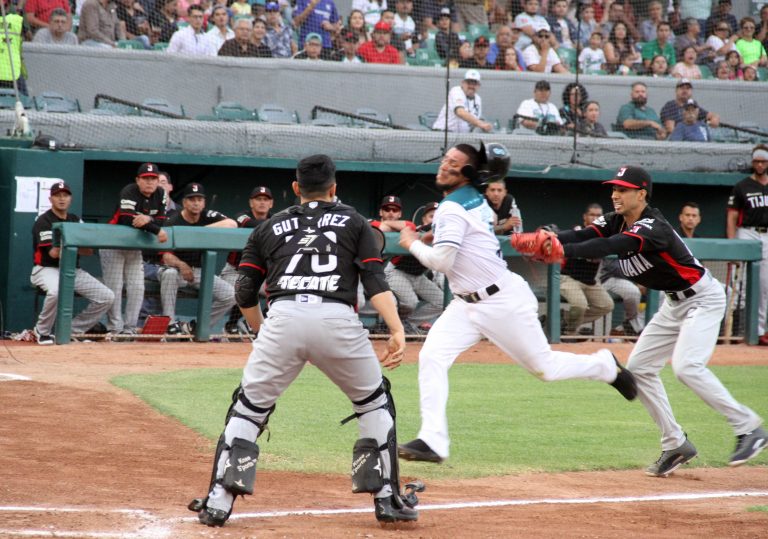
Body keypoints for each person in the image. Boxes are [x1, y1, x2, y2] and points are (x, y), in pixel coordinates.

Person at [192, 154, 418, 527]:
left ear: (295, 188)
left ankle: (218, 500)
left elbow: (245, 290)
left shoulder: (269, 227)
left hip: (283, 316)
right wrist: (396, 328)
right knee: (374, 402)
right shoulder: (356, 221)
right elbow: (375, 281)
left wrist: (264, 332)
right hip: (338, 319)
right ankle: (386, 499)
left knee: (249, 409)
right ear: (334, 188)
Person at [396, 143, 637, 464]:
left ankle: (605, 366)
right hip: (466, 304)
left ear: (468, 174)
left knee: (546, 369)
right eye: (445, 160)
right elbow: (466, 239)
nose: (443, 165)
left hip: (501, 301)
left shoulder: (454, 206)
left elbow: (440, 261)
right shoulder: (471, 199)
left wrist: (412, 242)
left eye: (453, 163)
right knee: (432, 356)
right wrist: (433, 235)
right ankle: (433, 441)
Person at [552, 165, 766, 475]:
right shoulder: (615, 219)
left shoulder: (653, 226)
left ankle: (749, 428)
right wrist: (550, 238)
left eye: (622, 189)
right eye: (614, 189)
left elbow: (611, 246)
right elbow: (584, 234)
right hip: (673, 303)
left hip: (703, 298)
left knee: (687, 367)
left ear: (641, 193)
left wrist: (560, 249)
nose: (615, 194)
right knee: (639, 369)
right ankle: (675, 443)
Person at [30, 182, 115, 345]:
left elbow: (89, 250)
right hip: (46, 269)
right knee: (56, 291)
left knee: (106, 297)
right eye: (57, 195)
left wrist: (69, 246)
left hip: (72, 270)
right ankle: (42, 331)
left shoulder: (75, 219)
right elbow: (54, 254)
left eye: (65, 195)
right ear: (51, 199)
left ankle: (71, 330)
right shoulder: (44, 221)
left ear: (70, 198)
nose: (62, 199)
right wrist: (74, 245)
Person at [158, 183, 237, 334]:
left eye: (199, 199)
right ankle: (170, 323)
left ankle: (198, 326)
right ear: (184, 202)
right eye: (191, 199)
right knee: (169, 274)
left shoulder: (207, 216)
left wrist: (200, 232)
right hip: (175, 270)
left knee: (230, 295)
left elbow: (232, 224)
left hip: (198, 272)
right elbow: (165, 256)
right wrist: (181, 265)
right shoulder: (173, 221)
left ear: (204, 203)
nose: (196, 203)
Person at [101, 163, 168, 337]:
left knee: (137, 287)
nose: (150, 182)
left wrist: (147, 219)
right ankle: (115, 329)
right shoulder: (129, 190)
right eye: (146, 178)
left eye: (153, 179)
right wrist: (154, 228)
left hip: (134, 245)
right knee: (115, 286)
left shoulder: (160, 193)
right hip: (113, 243)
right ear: (138, 180)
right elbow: (125, 218)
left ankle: (130, 328)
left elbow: (162, 219)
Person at [372, 196, 443, 332]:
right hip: (398, 271)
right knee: (410, 303)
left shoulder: (446, 234)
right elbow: (418, 228)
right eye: (431, 216)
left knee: (440, 301)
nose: (434, 220)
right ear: (424, 219)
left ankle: (407, 324)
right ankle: (394, 325)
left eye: (438, 217)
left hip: (418, 276)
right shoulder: (417, 230)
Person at [727, 145, 768, 347]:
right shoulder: (742, 186)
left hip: (766, 235)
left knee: (763, 285)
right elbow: (732, 215)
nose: (760, 165)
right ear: (753, 163)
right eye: (757, 161)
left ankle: (759, 331)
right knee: (740, 283)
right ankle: (734, 330)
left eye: (763, 161)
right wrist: (733, 244)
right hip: (748, 232)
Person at [220, 186, 274, 333]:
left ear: (271, 203)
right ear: (251, 203)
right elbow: (249, 224)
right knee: (242, 288)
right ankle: (231, 324)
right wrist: (273, 226)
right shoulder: (242, 216)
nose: (262, 202)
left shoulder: (275, 219)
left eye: (265, 199)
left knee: (278, 290)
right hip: (234, 271)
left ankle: (257, 322)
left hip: (263, 274)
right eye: (258, 199)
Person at [559, 203, 614, 336]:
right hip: (568, 278)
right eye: (592, 215)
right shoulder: (578, 231)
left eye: (598, 216)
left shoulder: (604, 235)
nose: (595, 218)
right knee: (580, 305)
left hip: (590, 281)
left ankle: (561, 319)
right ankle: (569, 333)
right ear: (585, 217)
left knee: (606, 305)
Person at [432, 69, 492, 133]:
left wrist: (486, 126)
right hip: (442, 133)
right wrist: (481, 124)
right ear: (462, 83)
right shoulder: (456, 91)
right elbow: (460, 112)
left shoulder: (478, 99)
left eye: (474, 83)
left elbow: (474, 120)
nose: (471, 86)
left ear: (479, 85)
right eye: (469, 82)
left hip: (461, 136)